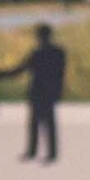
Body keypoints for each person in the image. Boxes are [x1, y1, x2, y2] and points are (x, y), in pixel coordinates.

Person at [21, 23, 68, 161]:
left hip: (38, 92)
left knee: (35, 123)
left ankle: (33, 151)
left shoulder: (37, 53)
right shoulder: (58, 52)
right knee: (48, 123)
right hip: (49, 92)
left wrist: (0, 75)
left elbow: (22, 68)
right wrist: (59, 90)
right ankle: (50, 153)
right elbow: (61, 74)